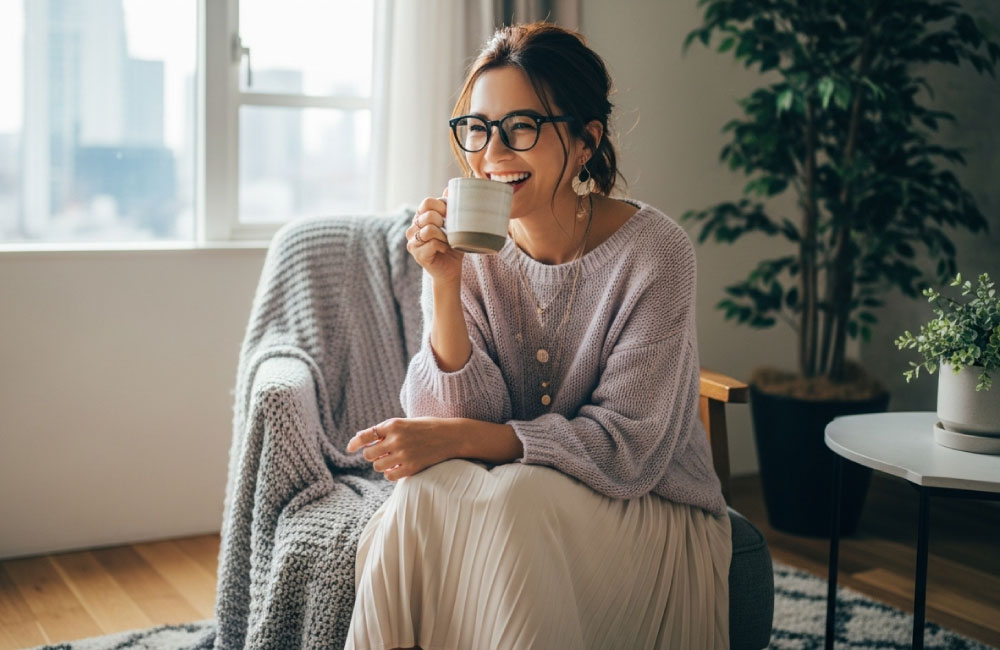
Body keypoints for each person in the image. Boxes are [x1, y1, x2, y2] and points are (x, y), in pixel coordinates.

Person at [344, 22, 731, 650]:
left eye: (520, 127)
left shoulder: (656, 253)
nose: (491, 152)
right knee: (422, 493)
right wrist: (445, 282)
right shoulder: (466, 248)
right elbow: (455, 424)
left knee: (518, 497)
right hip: (518, 505)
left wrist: (464, 438)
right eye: (476, 127)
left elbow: (624, 447)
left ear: (585, 141)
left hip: (649, 510)